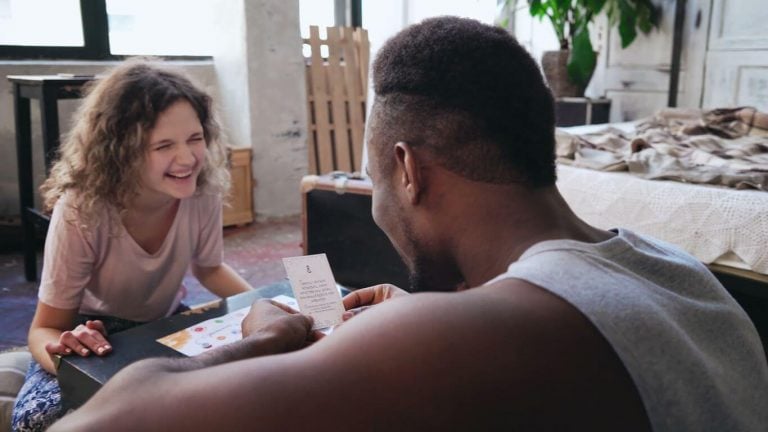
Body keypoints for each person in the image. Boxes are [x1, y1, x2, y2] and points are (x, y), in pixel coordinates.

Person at [51, 17, 767, 432]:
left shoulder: (468, 335)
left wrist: (267, 339)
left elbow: (107, 423)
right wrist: (428, 319)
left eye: (369, 181)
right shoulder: (683, 273)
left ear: (407, 170)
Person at [12, 59, 253, 431]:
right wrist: (77, 358)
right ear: (121, 151)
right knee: (40, 420)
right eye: (163, 146)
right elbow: (43, 330)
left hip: (166, 323)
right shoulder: (83, 208)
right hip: (92, 336)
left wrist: (268, 302)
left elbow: (209, 267)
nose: (188, 159)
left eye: (195, 138)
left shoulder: (200, 191)